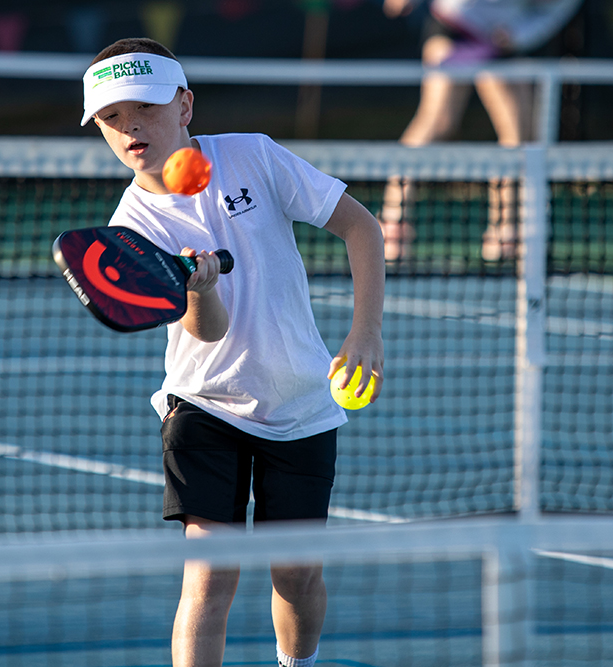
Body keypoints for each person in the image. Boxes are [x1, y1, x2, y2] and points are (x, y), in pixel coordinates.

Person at [80, 37, 386, 667]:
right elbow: (209, 332)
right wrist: (203, 289)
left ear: (185, 105)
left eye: (145, 107)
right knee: (210, 576)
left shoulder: (252, 155)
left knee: (296, 575)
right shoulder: (131, 229)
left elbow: (362, 227)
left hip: (300, 401)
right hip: (203, 406)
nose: (129, 126)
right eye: (111, 117)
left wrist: (364, 331)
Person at [380, 0, 582, 262]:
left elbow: (551, 15)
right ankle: (393, 223)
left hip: (501, 41)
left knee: (519, 137)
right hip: (454, 27)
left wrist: (516, 35)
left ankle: (505, 231)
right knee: (438, 122)